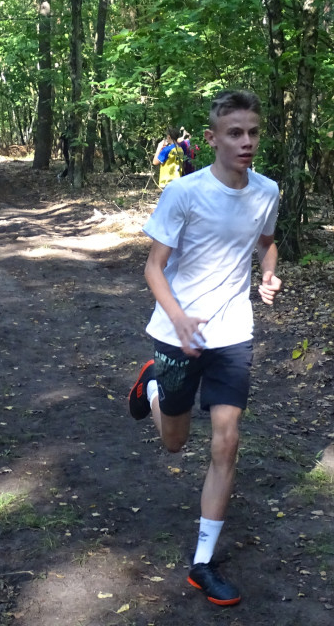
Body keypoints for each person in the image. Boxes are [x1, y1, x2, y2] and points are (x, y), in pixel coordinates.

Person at [127, 90, 281, 607]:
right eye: (235, 133)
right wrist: (178, 319)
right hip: (176, 332)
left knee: (226, 441)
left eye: (253, 132)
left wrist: (269, 274)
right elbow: (153, 267)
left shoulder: (266, 191)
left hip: (233, 331)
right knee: (174, 442)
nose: (246, 142)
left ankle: (202, 563)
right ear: (211, 139)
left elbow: (266, 240)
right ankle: (152, 384)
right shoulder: (184, 194)